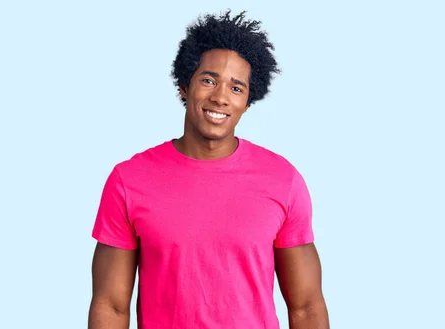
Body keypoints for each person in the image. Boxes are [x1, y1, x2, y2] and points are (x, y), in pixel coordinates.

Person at [88, 10, 329, 329]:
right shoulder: (129, 180)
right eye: (208, 80)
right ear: (184, 87)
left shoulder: (283, 181)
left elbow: (306, 307)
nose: (220, 98)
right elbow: (111, 306)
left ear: (247, 101)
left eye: (236, 88)